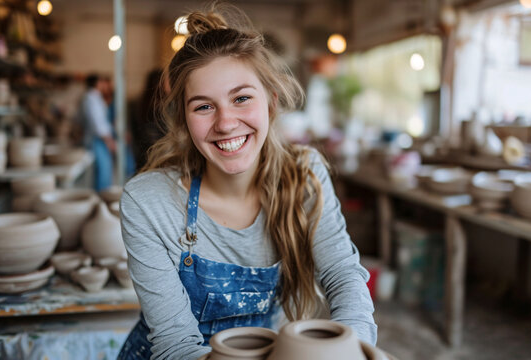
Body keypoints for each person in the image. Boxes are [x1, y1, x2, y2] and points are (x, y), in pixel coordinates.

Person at [117, 5, 377, 360]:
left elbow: (343, 275)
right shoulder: (148, 201)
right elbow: (175, 344)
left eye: (241, 98)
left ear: (270, 103)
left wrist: (353, 349)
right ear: (183, 120)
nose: (225, 123)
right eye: (203, 107)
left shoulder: (304, 175)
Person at [80, 74, 115, 191]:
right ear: (97, 83)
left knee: (102, 169)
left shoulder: (92, 97)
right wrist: (109, 140)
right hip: (98, 139)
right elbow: (98, 124)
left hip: (97, 138)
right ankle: (102, 197)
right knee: (103, 170)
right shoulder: (92, 97)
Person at [129, 69, 168, 171]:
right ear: (160, 83)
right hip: (157, 157)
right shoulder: (159, 106)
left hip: (142, 153)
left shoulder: (140, 102)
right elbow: (159, 135)